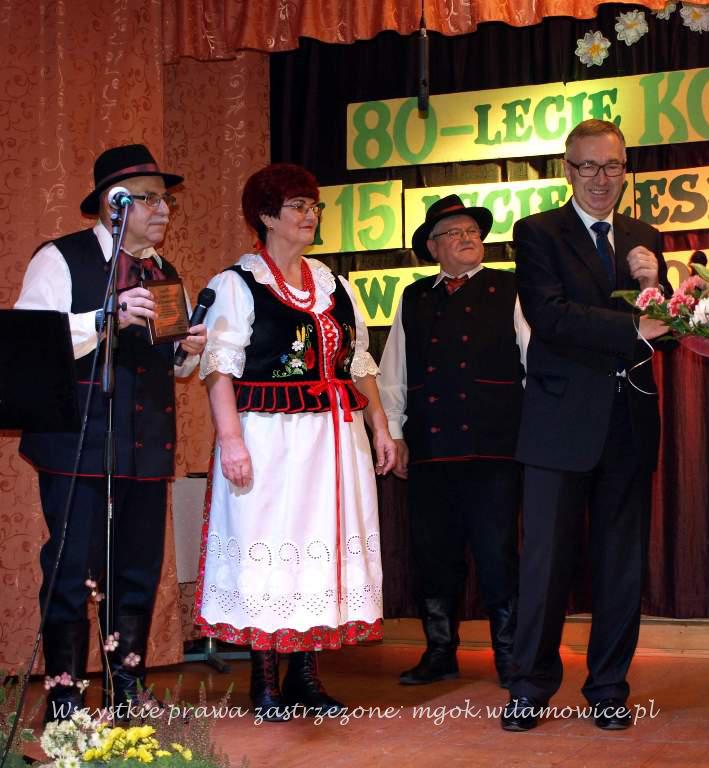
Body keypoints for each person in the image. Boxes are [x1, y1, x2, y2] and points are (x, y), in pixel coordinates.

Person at [194, 163, 396, 721]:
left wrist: (380, 426)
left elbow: (358, 363)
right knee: (269, 541)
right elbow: (218, 368)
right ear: (266, 216)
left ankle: (305, 676)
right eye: (298, 206)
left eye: (314, 206)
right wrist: (231, 440)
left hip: (333, 439)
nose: (310, 215)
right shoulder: (236, 284)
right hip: (269, 436)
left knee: (318, 548)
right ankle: (265, 682)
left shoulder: (335, 285)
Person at [15, 144, 207, 721]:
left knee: (135, 575)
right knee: (73, 573)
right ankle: (65, 700)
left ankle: (128, 692)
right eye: (149, 199)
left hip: (145, 448)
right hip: (76, 446)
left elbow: (172, 365)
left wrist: (188, 351)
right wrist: (106, 318)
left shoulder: (164, 273)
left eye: (166, 200)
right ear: (113, 203)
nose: (163, 210)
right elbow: (32, 346)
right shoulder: (60, 259)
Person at [500, 119, 672, 732]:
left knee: (621, 566)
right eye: (589, 167)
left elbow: (664, 329)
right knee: (545, 565)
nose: (602, 179)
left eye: (613, 166)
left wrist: (654, 284)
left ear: (626, 171)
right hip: (560, 424)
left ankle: (609, 689)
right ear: (568, 171)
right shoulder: (538, 232)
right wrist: (632, 327)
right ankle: (528, 688)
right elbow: (550, 317)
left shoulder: (645, 237)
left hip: (630, 422)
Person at [379, 195, 529, 688]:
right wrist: (395, 433)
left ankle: (510, 655)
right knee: (433, 555)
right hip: (430, 450)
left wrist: (534, 432)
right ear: (433, 246)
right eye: (455, 233)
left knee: (497, 553)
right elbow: (394, 373)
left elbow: (532, 362)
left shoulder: (511, 288)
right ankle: (440, 651)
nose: (467, 238)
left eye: (472, 231)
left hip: (494, 447)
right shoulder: (414, 297)